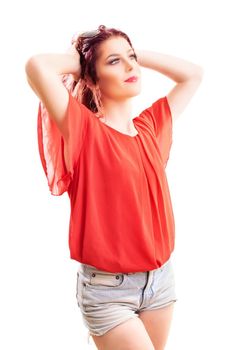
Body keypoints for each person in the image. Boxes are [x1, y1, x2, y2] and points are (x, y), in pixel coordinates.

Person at [25, 24, 203, 350]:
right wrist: (85, 60)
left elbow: (192, 74)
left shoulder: (151, 128)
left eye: (131, 58)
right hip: (109, 290)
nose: (130, 66)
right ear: (93, 77)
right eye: (114, 62)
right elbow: (38, 66)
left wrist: (131, 52)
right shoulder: (84, 131)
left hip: (160, 280)